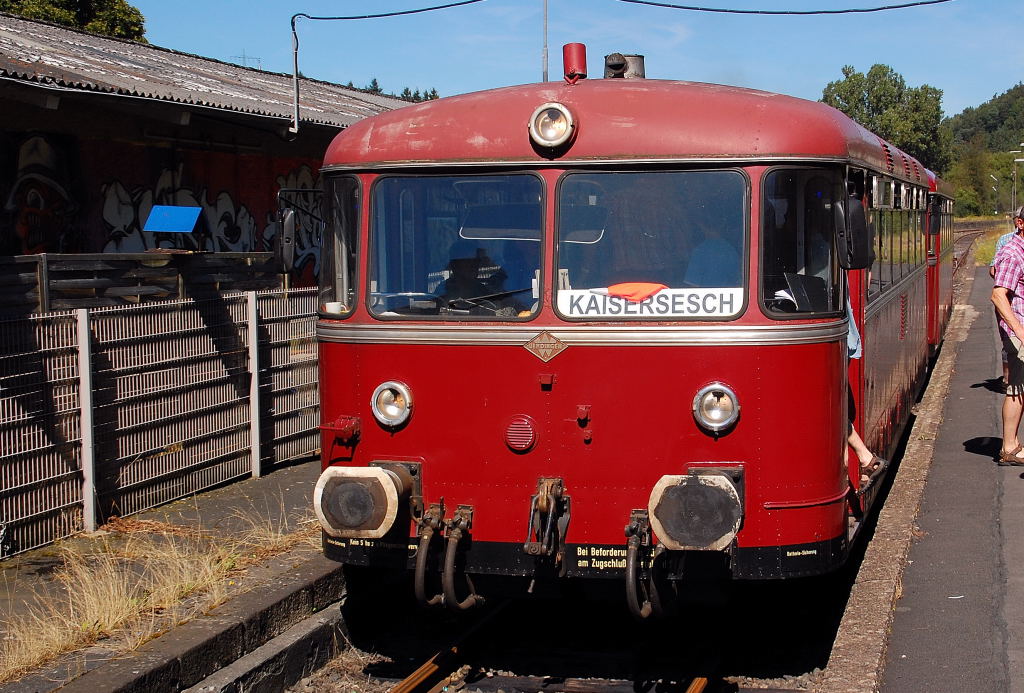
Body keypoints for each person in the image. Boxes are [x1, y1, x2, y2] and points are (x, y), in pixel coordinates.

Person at [991, 206, 1024, 465]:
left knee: (1019, 386)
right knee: (1017, 387)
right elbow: (998, 295)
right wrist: (1020, 331)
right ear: (1020, 223)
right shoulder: (1013, 253)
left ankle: (1010, 446)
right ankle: (1009, 447)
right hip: (1019, 331)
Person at [846, 294, 887, 485]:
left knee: (826, 411)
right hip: (844, 336)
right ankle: (864, 460)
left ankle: (865, 459)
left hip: (840, 337)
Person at [990, 229, 1016, 390]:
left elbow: (993, 271)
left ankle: (1007, 379)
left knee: (1008, 341)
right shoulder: (1011, 247)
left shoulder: (1004, 240)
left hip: (1008, 302)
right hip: (1011, 303)